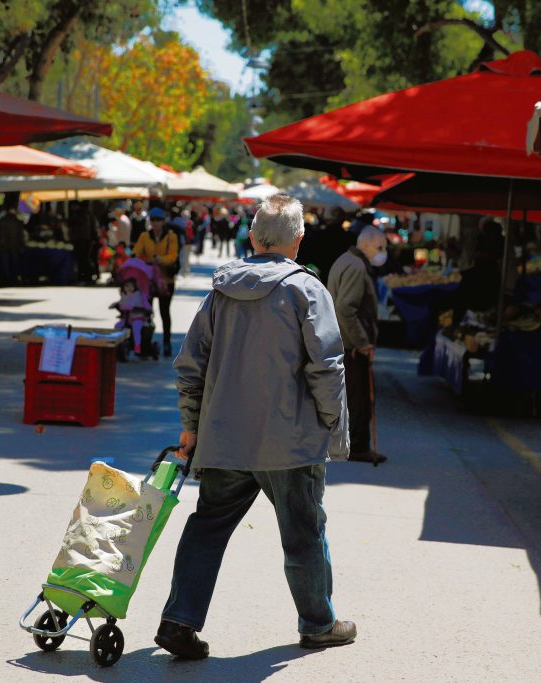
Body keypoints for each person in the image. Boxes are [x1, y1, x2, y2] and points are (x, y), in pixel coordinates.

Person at [155, 193, 354, 660]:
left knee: (207, 527)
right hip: (290, 441)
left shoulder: (221, 290)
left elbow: (190, 366)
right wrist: (334, 427)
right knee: (304, 531)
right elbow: (327, 367)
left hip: (225, 436)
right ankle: (319, 624)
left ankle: (179, 620)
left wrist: (191, 425)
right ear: (299, 241)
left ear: (251, 236)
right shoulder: (307, 290)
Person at [327, 226, 389, 464]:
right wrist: (362, 342)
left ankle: (351, 444)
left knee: (353, 395)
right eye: (380, 247)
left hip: (345, 340)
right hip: (351, 343)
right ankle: (358, 447)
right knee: (358, 397)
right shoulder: (356, 265)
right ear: (367, 245)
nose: (382, 252)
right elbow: (346, 309)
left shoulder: (347, 260)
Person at [133, 207, 179, 357]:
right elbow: (137, 253)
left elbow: (173, 256)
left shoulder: (171, 236)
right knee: (147, 312)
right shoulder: (145, 236)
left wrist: (159, 260)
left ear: (163, 221)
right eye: (153, 220)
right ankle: (145, 343)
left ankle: (167, 343)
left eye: (158, 220)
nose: (155, 223)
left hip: (166, 280)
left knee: (164, 312)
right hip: (149, 280)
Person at [109, 278, 152, 356]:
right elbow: (121, 302)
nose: (129, 288)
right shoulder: (124, 295)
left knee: (136, 329)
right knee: (117, 326)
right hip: (126, 318)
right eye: (127, 286)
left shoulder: (138, 295)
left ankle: (137, 345)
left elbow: (136, 304)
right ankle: (117, 343)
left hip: (137, 317)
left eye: (131, 286)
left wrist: (131, 306)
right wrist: (115, 305)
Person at [0, 198, 26, 286]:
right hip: (13, 246)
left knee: (6, 264)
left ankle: (8, 280)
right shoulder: (17, 221)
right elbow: (20, 235)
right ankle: (13, 279)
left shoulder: (3, 220)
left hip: (5, 245)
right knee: (13, 264)